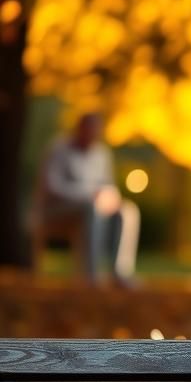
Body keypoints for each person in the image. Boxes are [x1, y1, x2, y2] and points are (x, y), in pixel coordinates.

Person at [37, 113, 140, 285]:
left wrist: (110, 197)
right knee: (90, 207)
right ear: (79, 129)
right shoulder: (59, 149)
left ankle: (120, 272)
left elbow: (109, 184)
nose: (92, 135)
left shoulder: (102, 153)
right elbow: (52, 187)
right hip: (57, 209)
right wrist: (89, 195)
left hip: (94, 206)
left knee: (127, 210)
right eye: (88, 129)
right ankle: (90, 275)